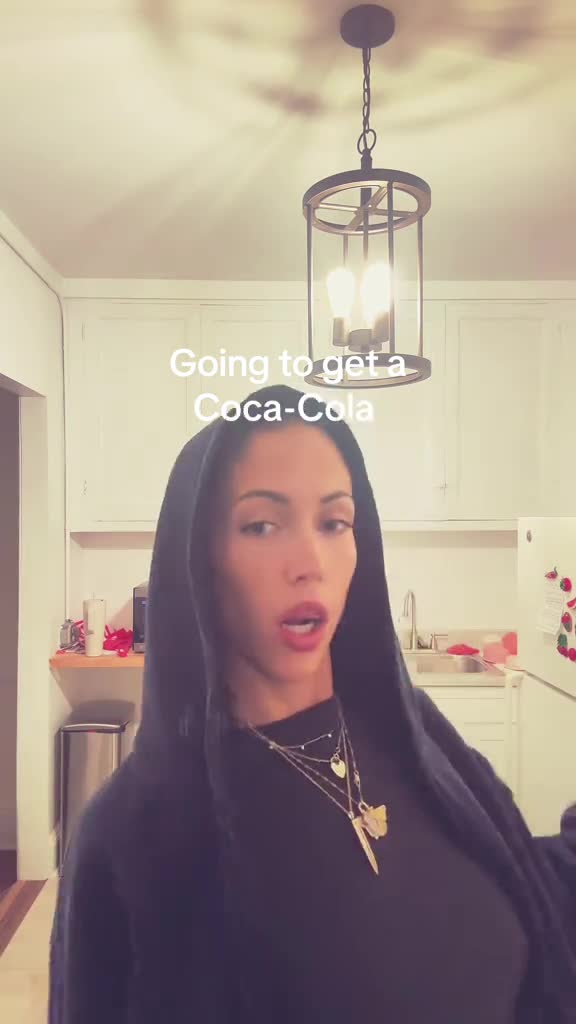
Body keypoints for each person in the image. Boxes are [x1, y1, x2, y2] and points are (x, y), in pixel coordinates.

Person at [48, 383, 576, 1023]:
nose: (310, 562)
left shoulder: (411, 731)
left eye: (335, 522)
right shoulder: (130, 838)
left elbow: (531, 888)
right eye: (262, 525)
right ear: (199, 559)